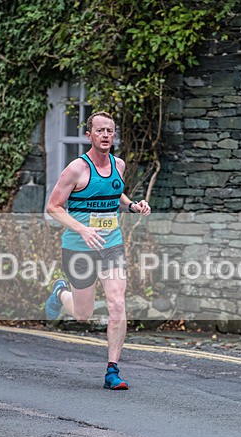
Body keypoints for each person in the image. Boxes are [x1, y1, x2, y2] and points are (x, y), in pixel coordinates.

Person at [44, 111, 151, 390]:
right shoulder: (76, 169)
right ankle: (60, 292)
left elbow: (115, 193)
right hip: (79, 247)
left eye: (110, 131)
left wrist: (132, 205)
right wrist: (81, 229)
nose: (106, 135)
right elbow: (53, 207)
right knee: (83, 314)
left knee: (117, 302)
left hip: (111, 244)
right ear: (89, 135)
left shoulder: (119, 165)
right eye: (100, 131)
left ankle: (112, 370)